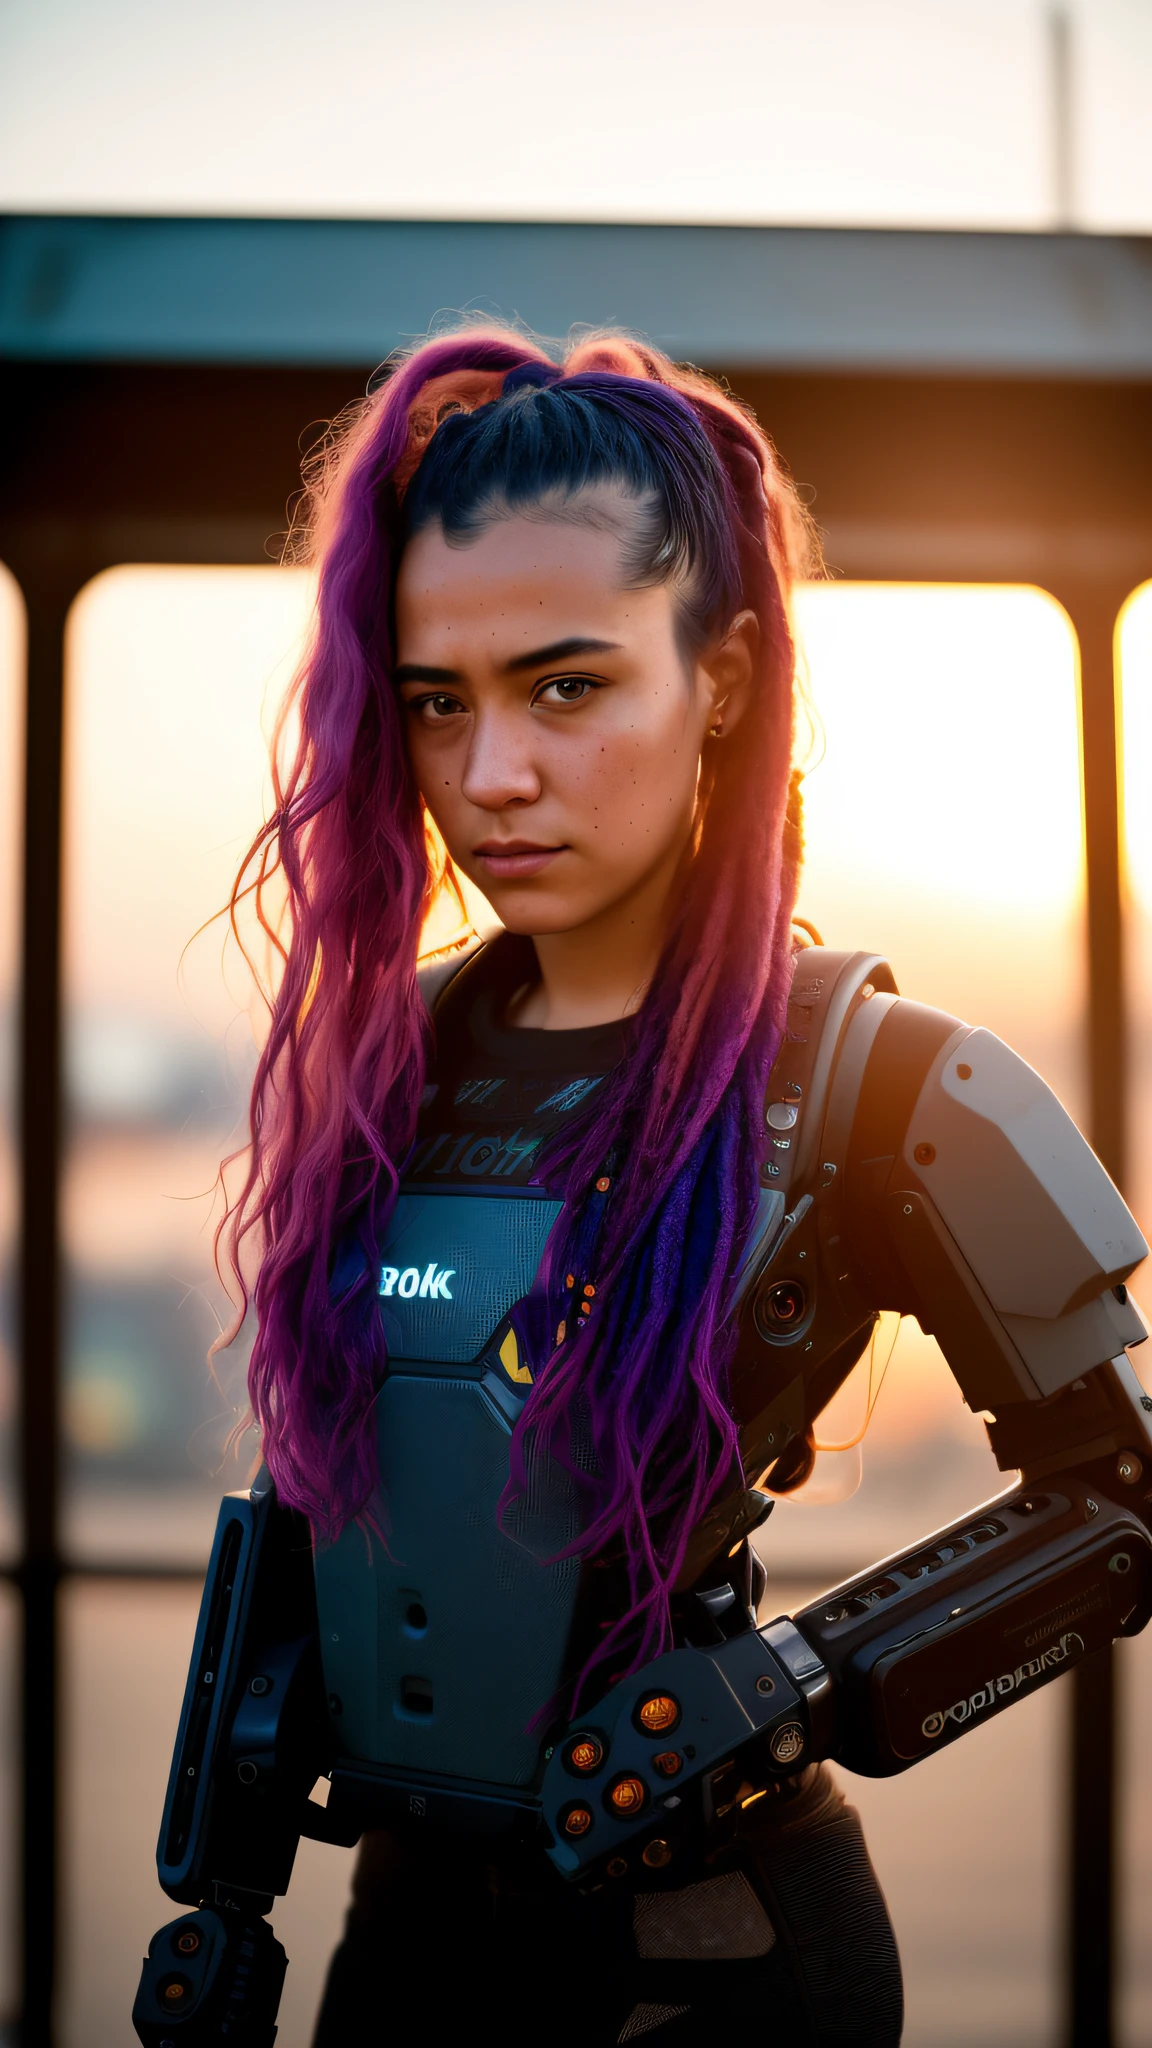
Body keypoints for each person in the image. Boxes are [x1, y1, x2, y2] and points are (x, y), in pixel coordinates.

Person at [132, 327, 1152, 2048]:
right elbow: (326, 1517)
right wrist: (224, 1902)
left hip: (715, 1954)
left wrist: (786, 1692)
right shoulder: (388, 1071)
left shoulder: (888, 1083)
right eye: (437, 702)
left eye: (569, 684)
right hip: (401, 1944)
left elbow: (1115, 1502)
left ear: (726, 679)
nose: (492, 775)